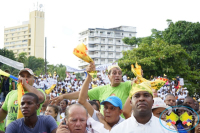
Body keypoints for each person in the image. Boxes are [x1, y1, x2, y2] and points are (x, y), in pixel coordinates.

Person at [51, 62, 135, 117]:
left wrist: (138, 77)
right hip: (104, 126)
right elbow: (81, 95)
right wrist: (63, 96)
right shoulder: (101, 89)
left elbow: (136, 84)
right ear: (108, 76)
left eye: (120, 74)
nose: (117, 75)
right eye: (114, 73)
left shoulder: (127, 85)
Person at [110, 82, 175, 133]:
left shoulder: (167, 129)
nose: (141, 99)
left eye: (146, 95)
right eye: (137, 96)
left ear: (152, 102)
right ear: (130, 102)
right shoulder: (118, 130)